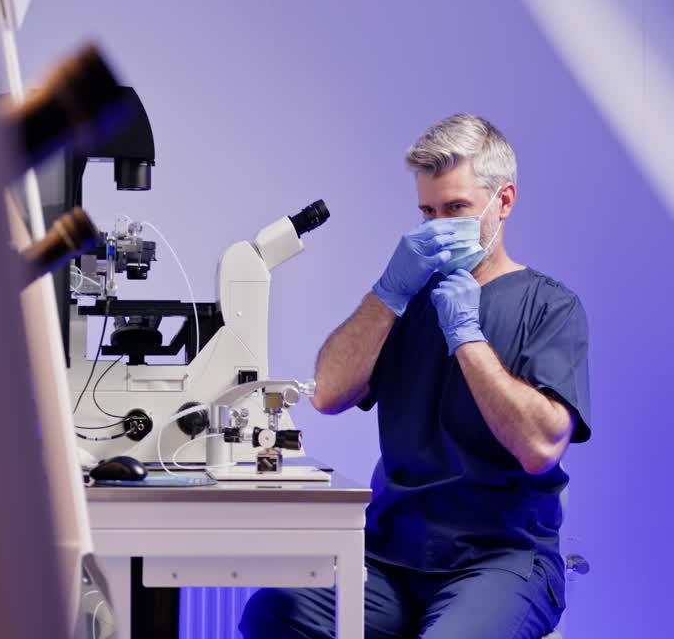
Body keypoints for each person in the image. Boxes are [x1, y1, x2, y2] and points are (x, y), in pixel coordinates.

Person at [240, 114, 591, 639]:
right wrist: (389, 290)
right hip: (390, 558)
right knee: (274, 614)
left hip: (499, 560)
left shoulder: (550, 306)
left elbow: (541, 447)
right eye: (427, 212)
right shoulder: (404, 302)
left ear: (504, 202)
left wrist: (467, 337)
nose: (438, 227)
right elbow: (329, 393)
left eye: (456, 209)